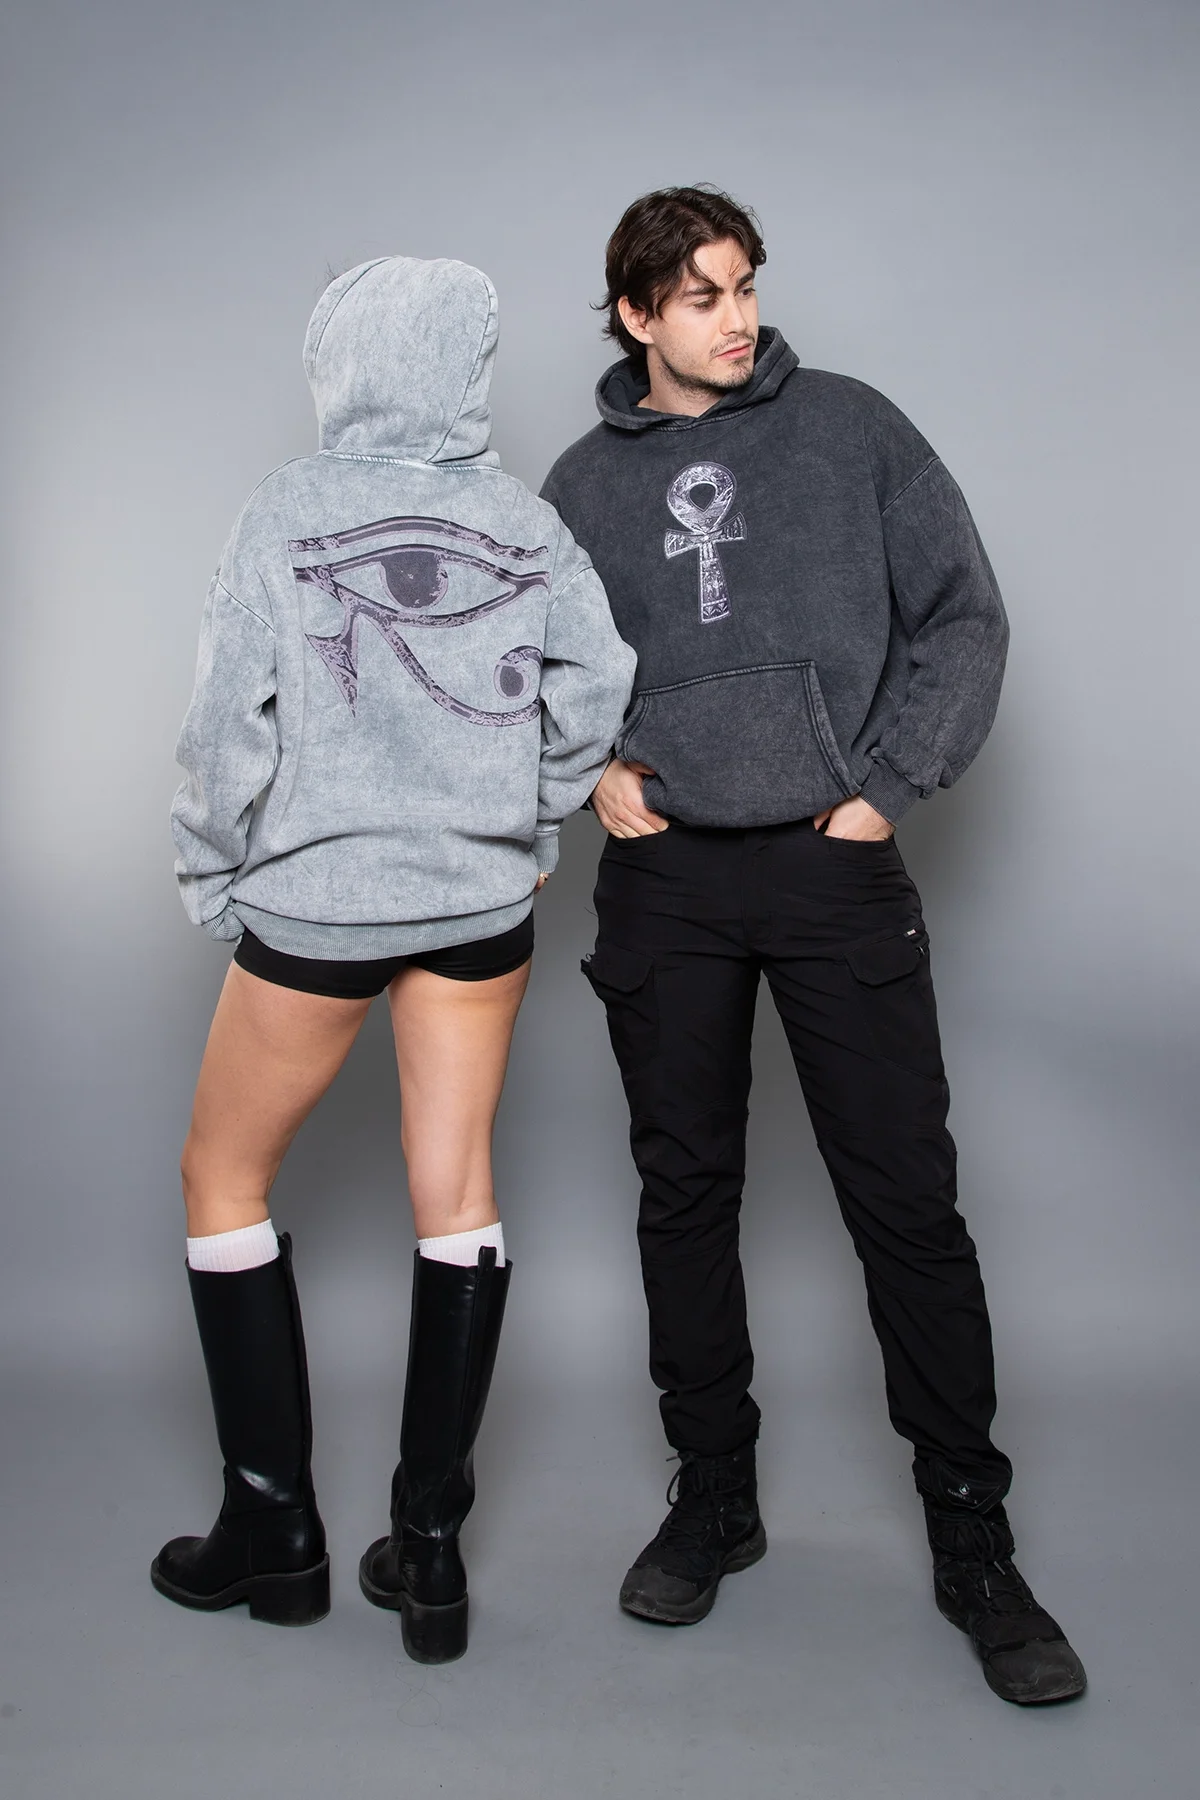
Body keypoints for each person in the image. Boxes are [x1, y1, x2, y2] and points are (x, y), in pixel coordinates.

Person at [541, 187, 1085, 1705]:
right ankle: (715, 1495)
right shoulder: (580, 482)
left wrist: (884, 788)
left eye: (745, 287)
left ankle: (974, 1537)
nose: (738, 318)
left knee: (904, 1201)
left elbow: (964, 616)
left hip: (831, 866)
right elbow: (531, 662)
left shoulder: (852, 429)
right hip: (668, 877)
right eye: (701, 296)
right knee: (684, 1193)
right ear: (637, 315)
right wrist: (590, 770)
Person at [155, 255, 635, 1664]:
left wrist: (211, 869)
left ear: (344, 364)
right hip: (480, 906)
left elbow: (222, 728)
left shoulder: (287, 509)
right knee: (458, 1188)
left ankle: (274, 1531)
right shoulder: (522, 518)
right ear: (464, 371)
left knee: (222, 1178)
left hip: (319, 909)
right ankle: (429, 1554)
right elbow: (599, 684)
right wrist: (531, 816)